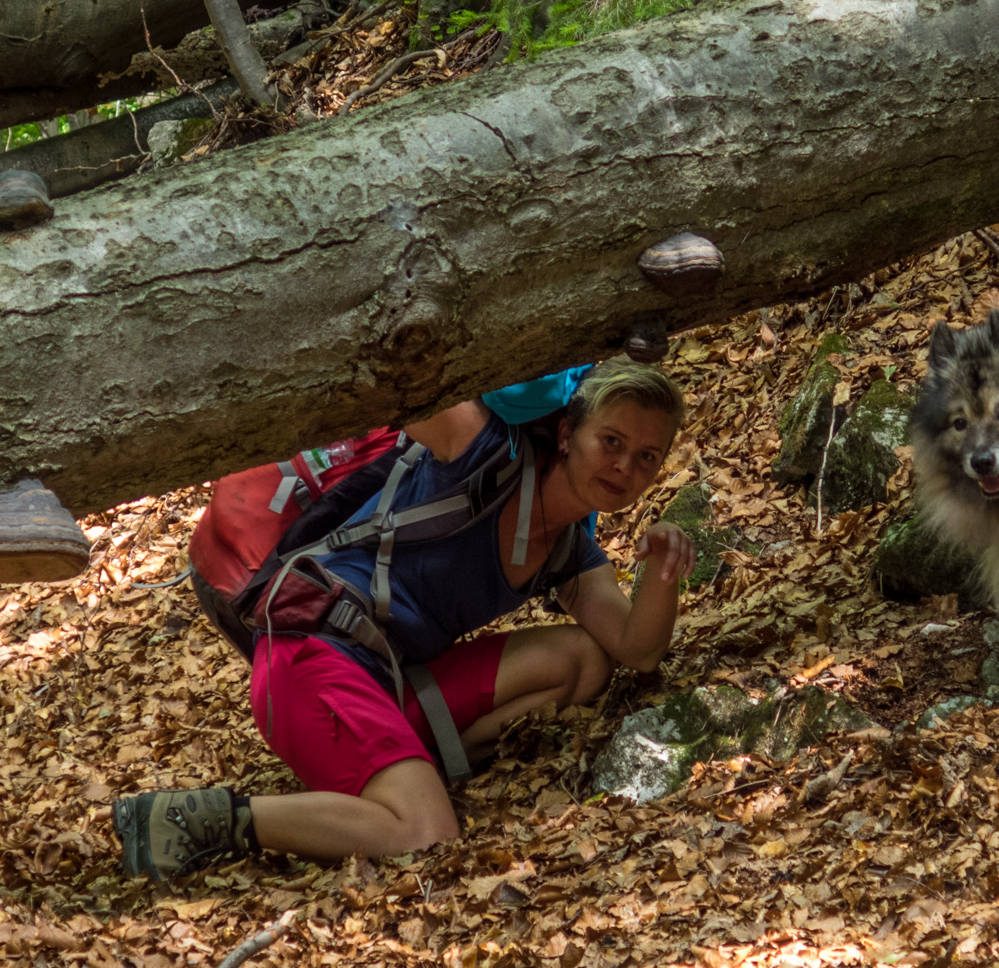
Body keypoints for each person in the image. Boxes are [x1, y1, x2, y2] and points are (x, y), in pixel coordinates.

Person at [115, 360, 695, 878]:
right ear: (568, 434)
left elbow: (636, 649)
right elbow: (401, 375)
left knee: (583, 660)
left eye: (647, 457)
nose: (624, 468)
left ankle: (397, 778)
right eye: (611, 441)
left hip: (386, 679)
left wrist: (664, 571)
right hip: (310, 654)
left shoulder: (570, 550)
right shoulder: (482, 450)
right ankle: (202, 819)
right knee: (427, 835)